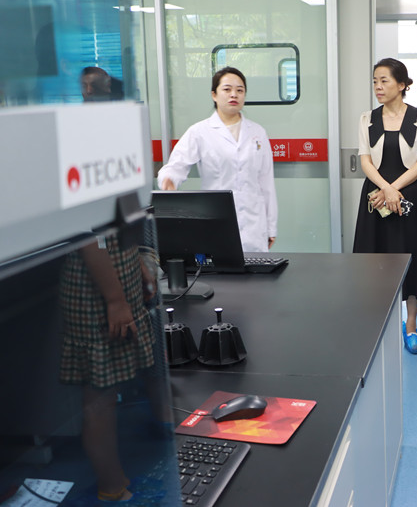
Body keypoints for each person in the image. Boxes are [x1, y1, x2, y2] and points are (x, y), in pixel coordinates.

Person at [59, 234, 158, 503]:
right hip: (97, 294)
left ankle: (117, 480)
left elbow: (116, 226)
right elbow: (90, 239)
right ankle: (112, 488)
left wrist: (139, 266)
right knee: (100, 400)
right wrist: (116, 300)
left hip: (118, 283)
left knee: (109, 394)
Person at [353, 58, 417, 355]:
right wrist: (385, 190)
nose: (378, 86)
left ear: (402, 85)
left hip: (410, 195)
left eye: (384, 80)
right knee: (375, 260)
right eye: (375, 81)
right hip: (376, 196)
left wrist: (394, 189)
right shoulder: (367, 118)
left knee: (412, 258)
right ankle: (380, 323)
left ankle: (411, 325)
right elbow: (365, 161)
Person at [157, 67, 277, 253]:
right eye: (227, 89)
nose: (234, 95)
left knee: (256, 269)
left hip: (254, 225)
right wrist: (169, 180)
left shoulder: (257, 132)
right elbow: (176, 166)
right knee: (221, 267)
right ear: (214, 94)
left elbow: (266, 183)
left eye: (240, 90)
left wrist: (271, 227)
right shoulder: (200, 132)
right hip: (216, 219)